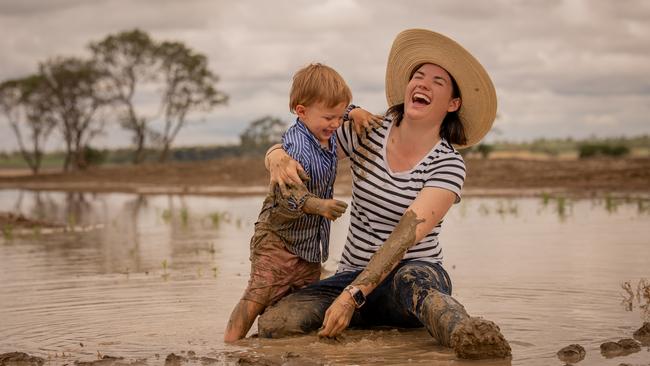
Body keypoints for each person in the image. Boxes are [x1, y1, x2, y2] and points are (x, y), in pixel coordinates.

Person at [257, 29, 512, 359]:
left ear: (453, 103)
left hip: (410, 278)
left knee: (413, 283)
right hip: (352, 274)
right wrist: (275, 155)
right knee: (276, 324)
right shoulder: (368, 132)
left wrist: (352, 296)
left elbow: (406, 236)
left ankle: (471, 336)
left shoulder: (448, 163)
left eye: (437, 81)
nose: (423, 83)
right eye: (418, 76)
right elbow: (305, 142)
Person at [224, 63, 366, 342]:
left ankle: (292, 348)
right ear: (301, 111)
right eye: (330, 118)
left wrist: (355, 111)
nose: (336, 125)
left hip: (308, 246)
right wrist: (319, 206)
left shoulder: (323, 130)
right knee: (257, 295)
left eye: (340, 116)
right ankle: (230, 345)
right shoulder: (297, 148)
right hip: (277, 241)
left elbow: (338, 109)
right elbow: (287, 195)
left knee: (303, 301)